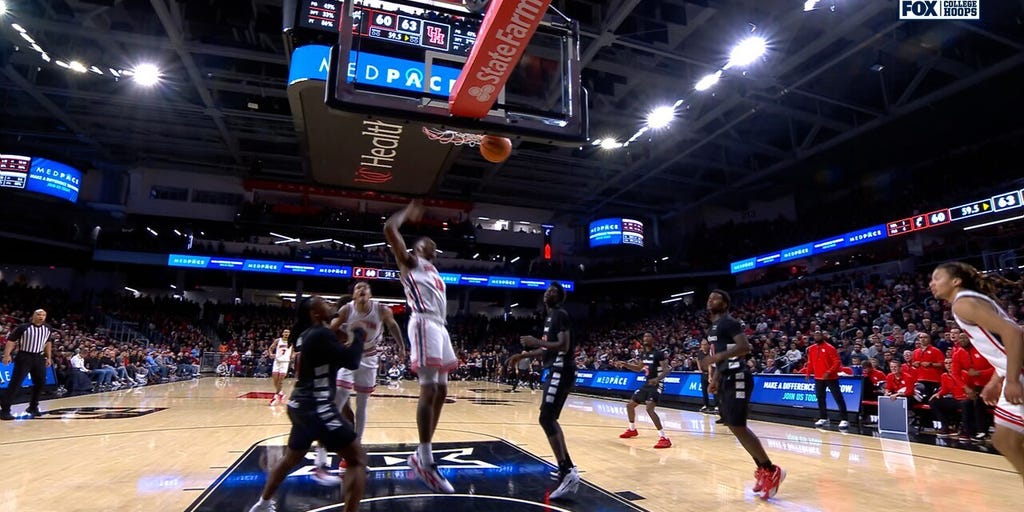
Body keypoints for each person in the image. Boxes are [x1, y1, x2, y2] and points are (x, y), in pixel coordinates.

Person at [249, 296, 369, 512]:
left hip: (299, 405)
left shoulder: (307, 335)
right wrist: (359, 333)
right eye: (323, 302)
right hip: (317, 406)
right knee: (357, 458)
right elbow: (351, 361)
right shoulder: (322, 333)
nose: (329, 304)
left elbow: (331, 354)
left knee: (290, 459)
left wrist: (343, 336)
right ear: (315, 314)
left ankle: (262, 504)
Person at [384, 199, 457, 493]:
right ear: (416, 248)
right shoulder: (410, 262)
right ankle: (424, 458)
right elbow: (389, 228)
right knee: (429, 389)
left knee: (442, 390)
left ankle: (423, 453)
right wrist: (407, 213)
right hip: (424, 322)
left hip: (440, 327)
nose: (432, 245)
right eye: (427, 241)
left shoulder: (434, 271)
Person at [930, 262, 1024, 481]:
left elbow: (1013, 332)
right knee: (1005, 441)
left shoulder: (963, 304)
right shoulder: (970, 300)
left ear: (956, 281)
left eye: (937, 278)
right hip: (1013, 370)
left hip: (1018, 372)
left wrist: (1010, 380)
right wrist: (996, 379)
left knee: (1006, 441)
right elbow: (1002, 344)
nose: (931, 283)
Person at [314, 282, 406, 474]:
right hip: (349, 355)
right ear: (354, 295)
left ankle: (354, 451)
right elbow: (332, 327)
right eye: (358, 287)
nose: (362, 289)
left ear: (371, 294)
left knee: (362, 405)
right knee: (338, 398)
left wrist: (401, 345)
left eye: (366, 287)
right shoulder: (347, 309)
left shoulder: (381, 309)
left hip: (370, 358)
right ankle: (321, 453)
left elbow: (393, 325)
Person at [700, 290, 784, 500]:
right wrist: (715, 378)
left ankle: (771, 469)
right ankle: (764, 470)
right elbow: (723, 359)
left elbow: (744, 347)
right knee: (734, 427)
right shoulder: (712, 328)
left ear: (726, 304)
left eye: (716, 298)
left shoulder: (729, 322)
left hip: (738, 376)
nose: (711, 300)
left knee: (738, 426)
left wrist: (718, 357)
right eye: (709, 298)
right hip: (726, 377)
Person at [511, 282, 579, 499]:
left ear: (558, 298)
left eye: (553, 291)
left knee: (546, 417)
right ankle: (566, 468)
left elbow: (563, 346)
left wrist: (534, 341)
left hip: (561, 369)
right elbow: (546, 347)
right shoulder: (551, 317)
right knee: (548, 418)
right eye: (547, 290)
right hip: (556, 369)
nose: (548, 292)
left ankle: (567, 470)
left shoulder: (560, 314)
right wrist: (525, 354)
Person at [616, 331, 672, 448]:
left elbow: (667, 370)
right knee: (630, 405)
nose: (645, 338)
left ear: (653, 339)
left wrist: (657, 379)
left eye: (648, 336)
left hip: (657, 384)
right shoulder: (643, 354)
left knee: (649, 408)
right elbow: (638, 368)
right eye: (644, 336)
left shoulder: (658, 353)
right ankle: (632, 430)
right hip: (647, 384)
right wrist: (625, 365)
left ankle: (664, 438)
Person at [1, 309, 55, 420]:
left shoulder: (48, 328)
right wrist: (7, 355)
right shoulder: (23, 327)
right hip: (24, 357)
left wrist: (49, 357)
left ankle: (33, 406)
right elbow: (11, 341)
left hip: (39, 357)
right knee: (16, 383)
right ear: (33, 315)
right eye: (39, 314)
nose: (41, 316)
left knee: (40, 383)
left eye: (43, 315)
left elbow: (48, 342)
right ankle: (5, 409)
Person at [803, 330, 850, 429]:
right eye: (815, 335)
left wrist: (829, 371)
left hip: (831, 377)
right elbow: (810, 362)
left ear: (822, 336)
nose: (816, 336)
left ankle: (844, 419)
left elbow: (837, 362)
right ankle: (823, 417)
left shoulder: (830, 348)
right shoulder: (811, 349)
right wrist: (808, 373)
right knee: (820, 398)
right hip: (818, 377)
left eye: (818, 335)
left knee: (838, 397)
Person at [268, 329, 292, 406]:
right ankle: (281, 394)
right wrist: (271, 354)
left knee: (280, 381)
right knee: (275, 381)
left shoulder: (291, 342)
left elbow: (294, 351)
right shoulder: (278, 340)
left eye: (288, 332)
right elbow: (270, 348)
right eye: (285, 332)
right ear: (282, 333)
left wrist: (293, 355)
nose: (286, 333)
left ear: (289, 334)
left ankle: (275, 397)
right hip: (277, 361)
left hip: (285, 362)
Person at [697, 339, 717, 413]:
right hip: (704, 374)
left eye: (705, 344)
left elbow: (711, 364)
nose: (703, 346)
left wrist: (710, 375)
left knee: (714, 390)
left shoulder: (711, 352)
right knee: (704, 390)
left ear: (708, 345)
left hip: (712, 373)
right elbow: (698, 360)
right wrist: (699, 369)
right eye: (702, 345)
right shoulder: (700, 353)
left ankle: (717, 406)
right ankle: (706, 405)